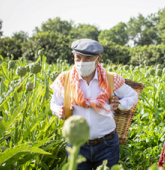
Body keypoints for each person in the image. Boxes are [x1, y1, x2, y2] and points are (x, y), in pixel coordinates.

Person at [49, 39, 138, 169]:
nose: (82, 63)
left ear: (98, 59)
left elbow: (133, 96)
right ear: (74, 56)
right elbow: (54, 104)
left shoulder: (110, 79)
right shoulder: (65, 79)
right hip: (76, 145)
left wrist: (120, 103)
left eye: (88, 59)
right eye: (78, 58)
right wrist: (59, 111)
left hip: (107, 145)